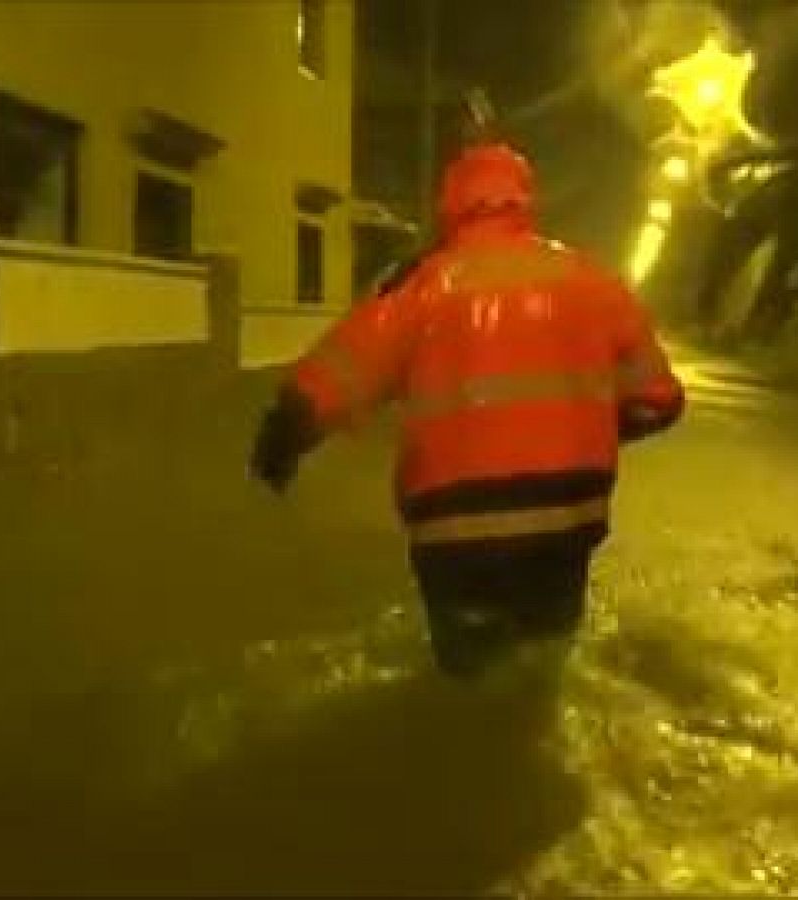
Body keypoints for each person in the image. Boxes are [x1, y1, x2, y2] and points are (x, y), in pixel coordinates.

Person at [249, 139, 685, 679]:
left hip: (453, 526)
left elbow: (340, 375)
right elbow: (661, 400)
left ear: (449, 206)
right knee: (543, 666)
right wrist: (590, 428)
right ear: (524, 200)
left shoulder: (423, 287)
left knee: (467, 677)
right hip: (567, 515)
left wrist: (283, 437)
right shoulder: (591, 280)